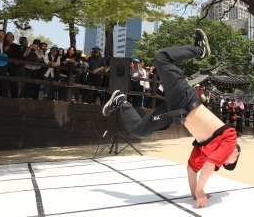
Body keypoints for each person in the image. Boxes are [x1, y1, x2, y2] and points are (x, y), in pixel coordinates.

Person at [101, 29, 239, 208]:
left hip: (175, 113)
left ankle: (121, 102)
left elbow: (191, 169)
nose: (234, 155)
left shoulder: (206, 153)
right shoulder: (230, 139)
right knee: (161, 58)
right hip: (185, 99)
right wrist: (199, 190)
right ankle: (200, 50)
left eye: (229, 162)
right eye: (234, 158)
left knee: (140, 130)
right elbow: (210, 165)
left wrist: (194, 193)